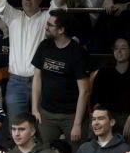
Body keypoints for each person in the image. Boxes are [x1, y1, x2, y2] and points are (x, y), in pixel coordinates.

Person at [32, 10, 90, 146]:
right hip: (46, 113)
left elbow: (85, 91)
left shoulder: (77, 52)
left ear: (61, 30)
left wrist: (77, 123)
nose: (46, 27)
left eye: (50, 25)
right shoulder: (44, 46)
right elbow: (37, 78)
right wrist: (35, 109)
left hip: (70, 115)